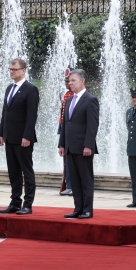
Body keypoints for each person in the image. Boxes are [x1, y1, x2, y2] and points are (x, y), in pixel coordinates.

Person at [0, 58, 40, 215]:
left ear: (23, 70)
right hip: (10, 137)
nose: (11, 72)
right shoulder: (9, 88)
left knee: (26, 171)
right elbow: (5, 113)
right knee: (13, 171)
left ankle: (28, 204)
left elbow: (31, 115)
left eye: (14, 69)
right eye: (10, 69)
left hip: (23, 138)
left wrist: (27, 136)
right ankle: (15, 202)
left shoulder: (30, 89)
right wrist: (1, 132)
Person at [58, 69, 100, 219]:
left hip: (83, 147)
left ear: (82, 81)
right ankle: (78, 208)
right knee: (74, 180)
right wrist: (62, 144)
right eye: (69, 81)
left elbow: (92, 125)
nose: (70, 83)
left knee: (85, 179)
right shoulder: (69, 100)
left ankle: (87, 210)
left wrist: (88, 145)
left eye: (73, 80)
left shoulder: (90, 99)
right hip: (70, 146)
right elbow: (65, 124)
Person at [59, 67, 75, 196]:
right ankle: (69, 184)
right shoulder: (66, 95)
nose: (67, 83)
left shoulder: (77, 95)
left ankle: (74, 185)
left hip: (74, 130)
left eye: (69, 80)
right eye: (66, 81)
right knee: (66, 158)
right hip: (63, 127)